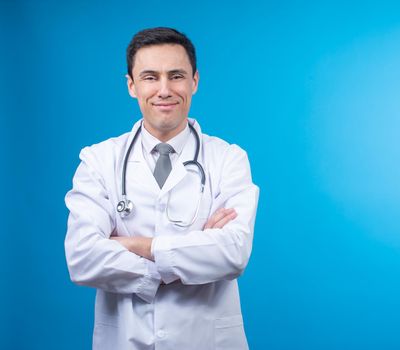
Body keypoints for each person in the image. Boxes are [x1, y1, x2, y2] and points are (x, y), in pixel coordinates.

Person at [64, 27, 259, 350]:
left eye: (176, 76)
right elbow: (82, 257)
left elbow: (232, 253)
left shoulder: (228, 159)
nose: (164, 90)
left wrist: (137, 244)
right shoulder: (99, 160)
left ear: (195, 81)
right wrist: (188, 254)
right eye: (150, 77)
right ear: (132, 85)